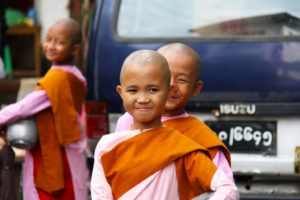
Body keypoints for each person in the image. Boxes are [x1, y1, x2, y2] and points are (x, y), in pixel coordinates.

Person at [90, 49, 239, 199]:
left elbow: (227, 189)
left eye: (153, 89)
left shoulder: (184, 146)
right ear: (121, 92)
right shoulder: (108, 145)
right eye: (133, 90)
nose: (143, 98)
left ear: (167, 91)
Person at [115, 43, 234, 181]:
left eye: (182, 80)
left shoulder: (200, 136)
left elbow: (226, 186)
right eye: (165, 77)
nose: (171, 85)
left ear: (196, 88)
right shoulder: (127, 121)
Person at [0, 18, 89, 200]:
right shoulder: (75, 75)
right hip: (69, 145)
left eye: (60, 42)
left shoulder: (57, 79)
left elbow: (23, 108)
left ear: (75, 49)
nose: (51, 46)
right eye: (48, 39)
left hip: (54, 151)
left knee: (50, 192)